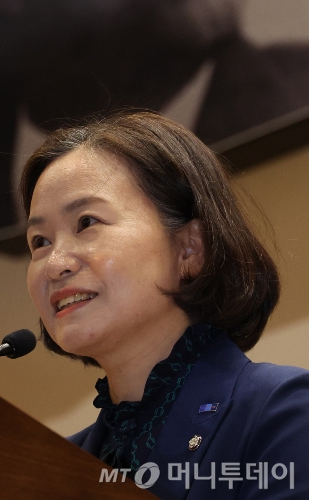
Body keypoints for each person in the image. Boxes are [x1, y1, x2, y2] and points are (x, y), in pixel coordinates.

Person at [20, 111, 309, 499]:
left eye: (86, 222)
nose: (56, 264)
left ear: (189, 249)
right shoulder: (53, 470)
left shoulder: (284, 413)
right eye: (39, 242)